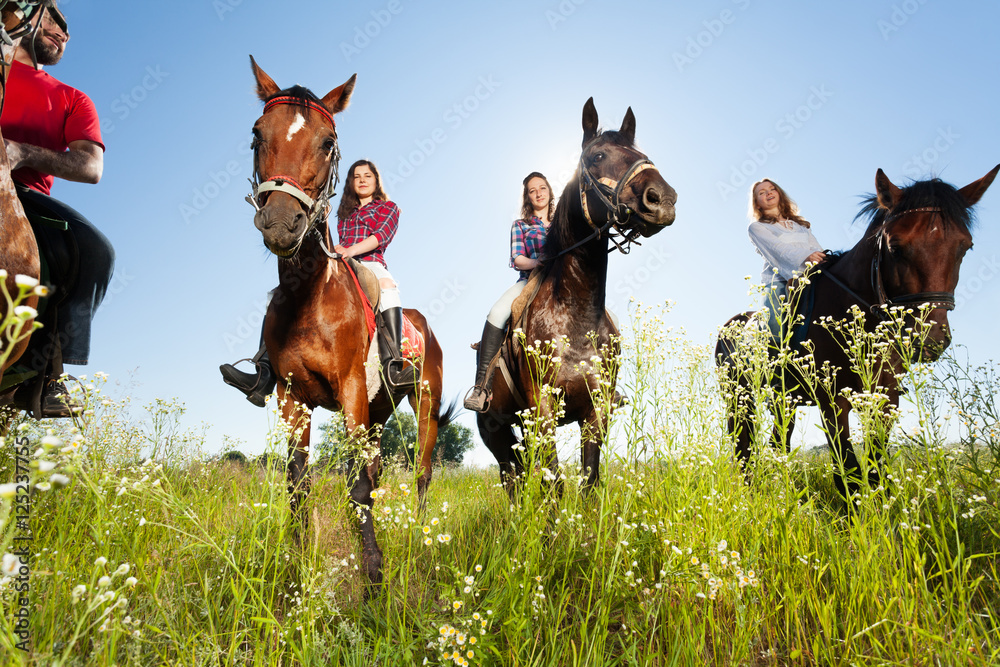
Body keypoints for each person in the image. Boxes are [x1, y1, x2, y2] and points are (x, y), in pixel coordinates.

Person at [220, 159, 418, 404]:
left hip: (369, 262)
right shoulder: (343, 211)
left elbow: (380, 237)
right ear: (350, 183)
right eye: (357, 177)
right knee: (278, 295)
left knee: (388, 287)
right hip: (340, 261)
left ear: (376, 180)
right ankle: (263, 375)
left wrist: (350, 250)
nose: (362, 180)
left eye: (367, 175)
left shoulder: (388, 208)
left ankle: (393, 366)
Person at [1, 2, 113, 417]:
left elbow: (91, 166)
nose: (64, 33)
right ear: (20, 13)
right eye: (55, 20)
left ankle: (49, 379)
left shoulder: (71, 98)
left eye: (67, 29)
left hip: (24, 198)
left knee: (98, 251)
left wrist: (22, 152)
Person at [464, 171, 553, 412]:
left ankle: (607, 387)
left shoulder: (563, 222)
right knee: (496, 313)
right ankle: (482, 387)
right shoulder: (521, 225)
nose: (538, 193)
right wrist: (537, 263)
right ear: (527, 197)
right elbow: (517, 258)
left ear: (549, 191)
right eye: (532, 190)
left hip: (561, 282)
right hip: (530, 279)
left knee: (609, 318)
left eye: (542, 188)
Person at [747, 179, 825, 342]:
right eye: (761, 192)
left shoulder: (801, 226)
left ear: (779, 194)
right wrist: (806, 256)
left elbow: (816, 248)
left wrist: (823, 259)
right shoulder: (757, 227)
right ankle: (774, 364)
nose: (768, 193)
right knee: (774, 324)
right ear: (757, 204)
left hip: (811, 276)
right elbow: (778, 249)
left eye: (772, 189)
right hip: (779, 281)